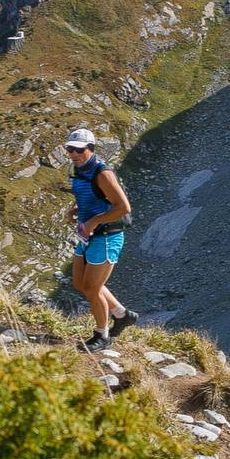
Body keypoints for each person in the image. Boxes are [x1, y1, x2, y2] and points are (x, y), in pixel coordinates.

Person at [64, 128, 138, 350]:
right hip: (87, 234)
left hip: (107, 235)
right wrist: (75, 209)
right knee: (80, 283)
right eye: (70, 149)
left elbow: (123, 207)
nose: (74, 154)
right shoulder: (78, 170)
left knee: (92, 287)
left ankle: (102, 336)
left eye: (79, 150)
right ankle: (122, 315)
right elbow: (91, 196)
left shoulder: (102, 173)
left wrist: (94, 221)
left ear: (91, 149)